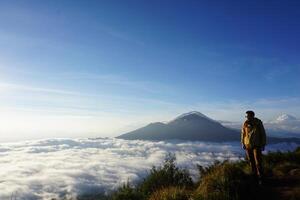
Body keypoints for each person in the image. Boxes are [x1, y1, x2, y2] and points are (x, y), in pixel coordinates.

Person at [241, 110, 266, 185]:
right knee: (251, 161)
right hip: (248, 145)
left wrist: (263, 144)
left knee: (258, 162)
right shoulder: (245, 124)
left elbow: (263, 133)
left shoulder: (258, 123)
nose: (247, 117)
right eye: (246, 116)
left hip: (256, 145)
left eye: (248, 116)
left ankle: (260, 178)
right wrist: (243, 143)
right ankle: (254, 177)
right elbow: (243, 134)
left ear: (252, 116)